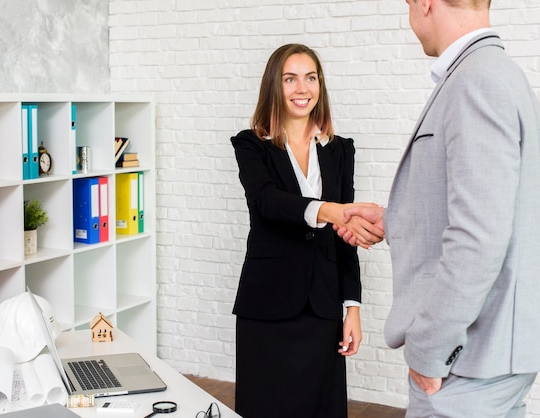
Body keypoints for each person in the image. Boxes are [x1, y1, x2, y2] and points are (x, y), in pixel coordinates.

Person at [337, 1, 540, 416]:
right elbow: (496, 207)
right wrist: (394, 218)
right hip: (490, 354)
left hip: (468, 360)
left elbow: (478, 236)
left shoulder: (476, 81)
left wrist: (430, 351)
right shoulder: (496, 73)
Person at [230, 43, 383, 418]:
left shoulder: (340, 149)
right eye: (290, 79)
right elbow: (266, 202)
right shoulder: (251, 145)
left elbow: (345, 241)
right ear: (274, 86)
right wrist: (333, 211)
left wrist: (353, 307)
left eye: (310, 78)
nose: (302, 89)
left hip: (322, 303)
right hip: (267, 301)